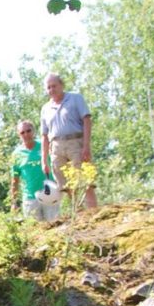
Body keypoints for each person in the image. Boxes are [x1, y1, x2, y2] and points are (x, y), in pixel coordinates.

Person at [40, 73, 97, 210]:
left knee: (85, 181)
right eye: (48, 87)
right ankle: (78, 214)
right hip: (56, 148)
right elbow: (44, 135)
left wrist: (86, 146)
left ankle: (93, 213)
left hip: (76, 142)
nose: (51, 90)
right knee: (66, 185)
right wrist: (44, 160)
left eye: (54, 86)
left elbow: (87, 120)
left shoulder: (75, 98)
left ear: (61, 85)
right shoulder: (45, 108)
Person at [10, 120, 54, 220]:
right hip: (30, 198)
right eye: (22, 132)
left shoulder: (44, 145)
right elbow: (15, 180)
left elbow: (57, 164)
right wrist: (14, 202)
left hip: (50, 194)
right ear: (19, 135)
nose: (26, 134)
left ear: (33, 131)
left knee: (55, 228)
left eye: (28, 131)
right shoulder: (16, 154)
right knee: (34, 232)